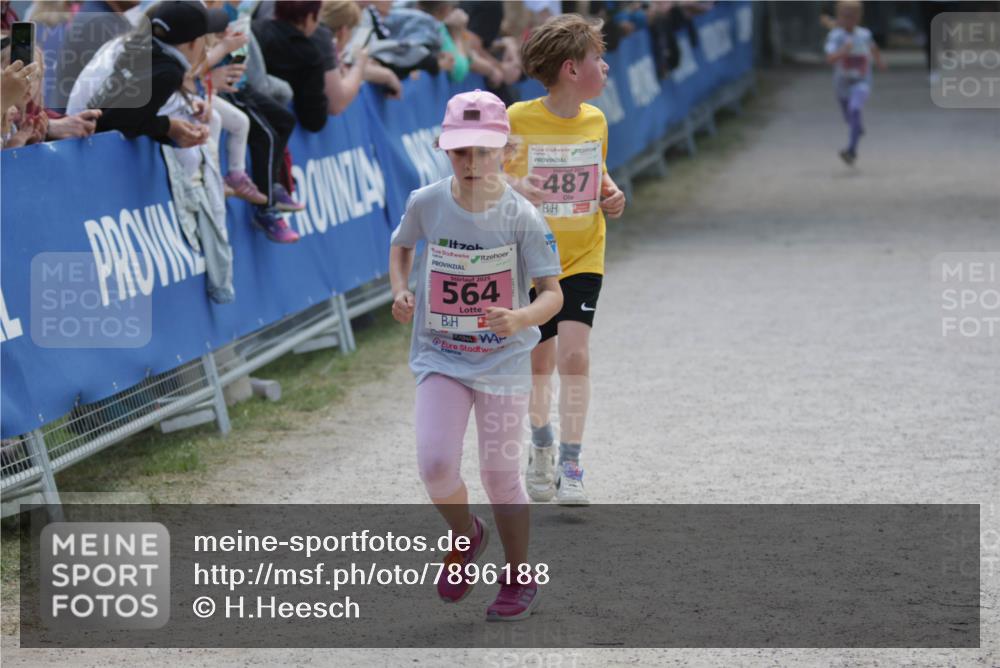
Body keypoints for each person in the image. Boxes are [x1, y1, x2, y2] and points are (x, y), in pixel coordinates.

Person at [389, 90, 563, 621]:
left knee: (499, 476)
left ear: (505, 152)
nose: (471, 163)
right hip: (441, 356)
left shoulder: (522, 216)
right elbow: (402, 245)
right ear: (444, 150)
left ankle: (518, 576)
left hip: (503, 361)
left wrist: (521, 317)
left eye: (483, 152)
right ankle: (466, 536)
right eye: (460, 152)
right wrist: (400, 290)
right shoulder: (427, 202)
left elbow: (553, 292)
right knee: (436, 464)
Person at [504, 13, 626, 506]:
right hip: (532, 261)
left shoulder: (595, 120)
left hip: (582, 254)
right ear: (572, 69)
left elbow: (596, 171)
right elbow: (483, 176)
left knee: (576, 357)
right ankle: (541, 447)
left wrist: (611, 192)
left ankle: (572, 461)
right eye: (599, 58)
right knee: (539, 364)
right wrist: (516, 185)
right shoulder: (515, 119)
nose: (607, 67)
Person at [824, 0, 885, 166]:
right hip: (842, 85)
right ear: (839, 16)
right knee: (849, 117)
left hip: (861, 81)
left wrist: (879, 62)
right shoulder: (835, 36)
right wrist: (843, 51)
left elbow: (873, 48)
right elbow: (829, 59)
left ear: (859, 17)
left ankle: (851, 151)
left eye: (852, 16)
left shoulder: (864, 34)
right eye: (845, 16)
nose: (848, 19)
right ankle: (857, 128)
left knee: (855, 108)